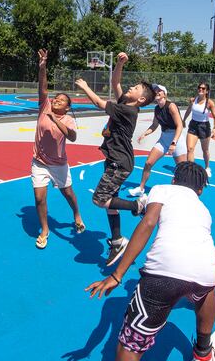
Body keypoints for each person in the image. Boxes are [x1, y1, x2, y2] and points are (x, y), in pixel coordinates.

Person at [86, 161, 215, 361]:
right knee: (206, 291)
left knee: (128, 352)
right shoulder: (203, 210)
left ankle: (196, 347)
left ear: (173, 180)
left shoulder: (162, 189)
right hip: (207, 270)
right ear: (200, 190)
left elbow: (148, 222)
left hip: (162, 275)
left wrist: (117, 275)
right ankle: (203, 352)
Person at [74, 52, 155, 266]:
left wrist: (85, 87)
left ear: (141, 99)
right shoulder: (124, 104)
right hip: (115, 160)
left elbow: (100, 104)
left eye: (135, 88)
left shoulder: (128, 111)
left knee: (99, 199)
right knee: (111, 204)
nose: (130, 87)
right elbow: (115, 81)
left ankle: (138, 205)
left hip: (120, 163)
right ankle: (118, 240)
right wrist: (120, 63)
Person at [31, 48, 85, 249]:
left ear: (67, 107)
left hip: (59, 164)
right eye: (56, 98)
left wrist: (55, 119)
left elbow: (72, 137)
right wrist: (42, 66)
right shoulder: (44, 107)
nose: (56, 100)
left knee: (68, 193)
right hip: (39, 162)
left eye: (61, 100)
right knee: (38, 198)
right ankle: (44, 229)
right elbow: (43, 88)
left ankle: (77, 213)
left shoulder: (68, 119)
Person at [128, 84, 187, 197]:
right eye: (155, 90)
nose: (156, 92)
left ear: (164, 94)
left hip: (177, 138)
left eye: (159, 90)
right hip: (164, 138)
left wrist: (174, 143)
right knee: (148, 163)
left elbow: (179, 125)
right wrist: (145, 134)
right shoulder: (156, 109)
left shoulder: (171, 106)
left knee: (182, 169)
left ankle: (184, 193)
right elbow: (155, 125)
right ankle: (141, 188)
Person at [182, 82, 215, 178]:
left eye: (203, 88)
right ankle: (190, 171)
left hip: (204, 127)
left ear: (207, 91)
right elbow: (189, 110)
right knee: (190, 149)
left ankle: (207, 168)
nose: (200, 90)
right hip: (193, 125)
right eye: (199, 88)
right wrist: (183, 120)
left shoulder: (209, 103)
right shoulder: (193, 100)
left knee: (205, 150)